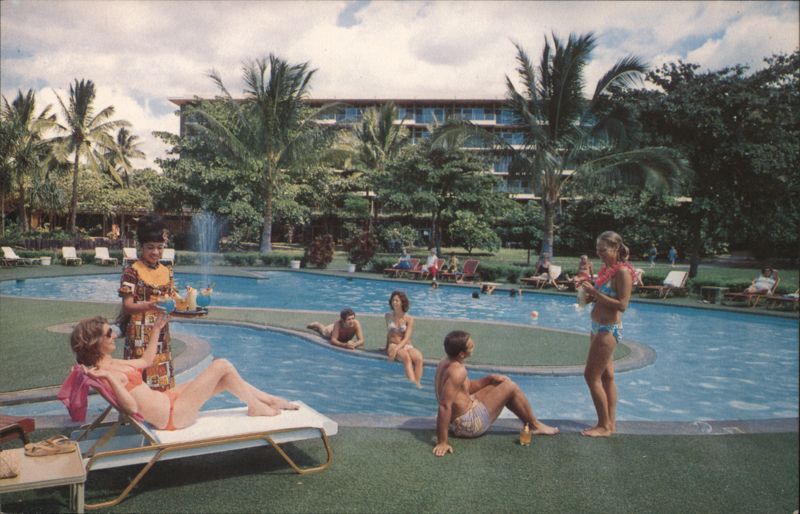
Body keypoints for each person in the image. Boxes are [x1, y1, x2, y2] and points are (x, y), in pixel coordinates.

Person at [71, 313, 297, 431]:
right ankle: (257, 406)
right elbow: (130, 408)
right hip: (173, 416)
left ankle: (268, 400)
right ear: (95, 342)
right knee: (222, 365)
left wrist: (157, 330)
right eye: (109, 333)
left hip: (170, 400)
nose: (114, 335)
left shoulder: (110, 362)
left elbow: (146, 360)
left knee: (226, 377)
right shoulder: (106, 372)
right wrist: (110, 378)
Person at [433, 330, 558, 457]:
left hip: (460, 418)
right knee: (510, 386)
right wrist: (442, 442)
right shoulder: (458, 372)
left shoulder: (445, 362)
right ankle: (535, 425)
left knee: (500, 384)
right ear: (461, 354)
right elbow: (444, 405)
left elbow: (466, 389)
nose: (473, 346)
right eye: (471, 346)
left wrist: (489, 379)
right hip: (468, 425)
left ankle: (531, 422)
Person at [577, 231, 634, 438]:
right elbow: (603, 297)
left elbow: (622, 305)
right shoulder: (607, 269)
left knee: (591, 376)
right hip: (596, 326)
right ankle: (610, 423)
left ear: (616, 249)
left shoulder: (623, 273)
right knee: (607, 376)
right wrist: (590, 297)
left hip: (608, 329)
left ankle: (603, 426)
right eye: (597, 250)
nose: (599, 254)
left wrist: (595, 293)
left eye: (603, 250)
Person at [117, 214, 178, 391]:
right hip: (139, 332)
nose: (156, 252)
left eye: (160, 247)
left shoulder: (167, 270)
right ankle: (137, 413)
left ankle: (162, 412)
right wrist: (151, 305)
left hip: (161, 332)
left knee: (161, 374)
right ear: (141, 247)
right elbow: (127, 307)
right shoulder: (132, 272)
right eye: (150, 247)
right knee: (141, 379)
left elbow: (173, 298)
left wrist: (187, 304)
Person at [385, 290, 424, 387]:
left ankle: (417, 383)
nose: (394, 302)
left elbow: (406, 338)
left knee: (419, 359)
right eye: (393, 300)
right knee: (406, 358)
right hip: (393, 344)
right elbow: (389, 333)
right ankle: (412, 384)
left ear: (402, 302)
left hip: (406, 345)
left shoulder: (409, 319)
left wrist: (397, 349)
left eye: (397, 300)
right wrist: (387, 347)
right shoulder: (388, 316)